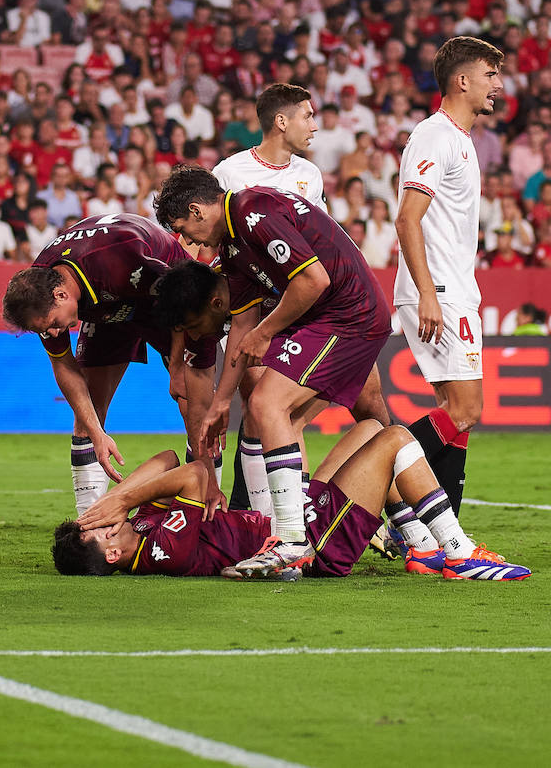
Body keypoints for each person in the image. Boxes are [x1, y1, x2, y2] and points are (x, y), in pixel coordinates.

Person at [152, 167, 392, 579]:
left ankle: (291, 539)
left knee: (267, 403)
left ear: (196, 210)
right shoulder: (234, 249)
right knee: (286, 416)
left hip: (349, 315)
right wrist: (223, 400)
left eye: (183, 230)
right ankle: (411, 526)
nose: (187, 242)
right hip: (333, 318)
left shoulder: (254, 211)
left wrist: (268, 330)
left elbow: (312, 281)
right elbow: (243, 328)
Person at [54, 419, 529, 581]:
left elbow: (163, 458)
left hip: (295, 519)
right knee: (396, 441)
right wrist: (131, 500)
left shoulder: (135, 521)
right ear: (111, 554)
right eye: (93, 529)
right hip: (311, 548)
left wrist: (118, 498)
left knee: (367, 429)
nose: (99, 520)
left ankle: (421, 551)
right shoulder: (162, 550)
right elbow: (198, 474)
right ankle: (457, 553)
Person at [1, 213, 220, 515]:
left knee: (193, 402)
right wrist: (98, 434)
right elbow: (63, 366)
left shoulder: (123, 256)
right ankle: (91, 526)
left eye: (52, 325)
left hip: (173, 300)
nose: (52, 333)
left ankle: (206, 509)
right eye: (44, 330)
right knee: (87, 417)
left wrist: (178, 368)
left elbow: (185, 297)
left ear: (61, 294)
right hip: (107, 310)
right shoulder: (38, 290)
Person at [394, 36, 504, 517]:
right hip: (437, 291)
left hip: (452, 289)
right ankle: (370, 475)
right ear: (462, 81)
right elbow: (406, 219)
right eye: (490, 75)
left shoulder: (459, 139)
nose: (497, 85)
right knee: (465, 409)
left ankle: (443, 535)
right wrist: (427, 295)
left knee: (457, 418)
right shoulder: (435, 136)